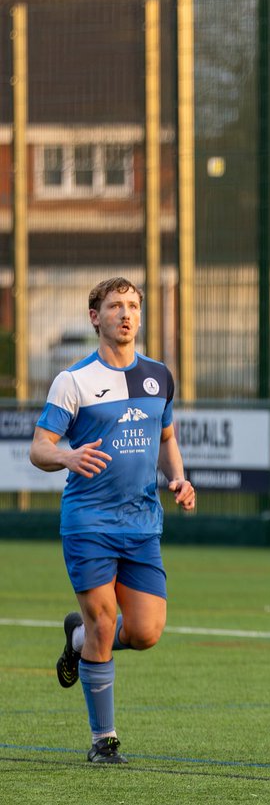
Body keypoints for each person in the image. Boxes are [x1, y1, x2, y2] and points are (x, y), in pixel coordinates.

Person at [29, 277, 195, 764]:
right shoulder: (73, 380)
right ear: (94, 317)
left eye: (133, 306)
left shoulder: (159, 376)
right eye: (115, 306)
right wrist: (67, 455)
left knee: (145, 632)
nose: (125, 314)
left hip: (142, 523)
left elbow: (166, 439)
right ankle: (104, 741)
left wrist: (178, 480)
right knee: (104, 621)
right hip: (88, 522)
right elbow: (39, 447)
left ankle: (76, 639)